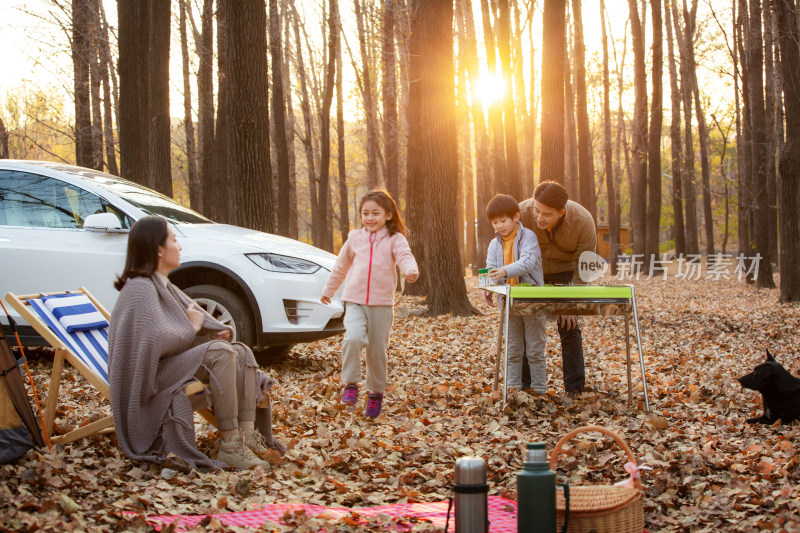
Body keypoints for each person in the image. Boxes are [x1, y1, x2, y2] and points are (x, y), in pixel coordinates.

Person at [108, 216, 285, 471]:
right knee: (222, 352)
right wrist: (193, 327)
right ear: (158, 249)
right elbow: (154, 344)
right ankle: (230, 444)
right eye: (174, 240)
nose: (179, 247)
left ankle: (246, 438)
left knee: (241, 352)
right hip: (150, 381)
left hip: (169, 368)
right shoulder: (140, 289)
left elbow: (177, 336)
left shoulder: (161, 285)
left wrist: (210, 333)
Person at [320, 190, 419, 418]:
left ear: (388, 214)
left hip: (382, 304)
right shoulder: (355, 237)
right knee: (352, 338)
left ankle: (375, 394)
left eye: (375, 213)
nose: (370, 218)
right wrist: (328, 290)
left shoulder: (396, 238)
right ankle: (351, 384)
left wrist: (410, 270)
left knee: (376, 351)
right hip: (354, 300)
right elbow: (341, 265)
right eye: (365, 213)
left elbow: (404, 255)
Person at [519, 181, 597, 394]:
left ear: (561, 212)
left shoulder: (583, 221)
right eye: (536, 210)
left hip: (567, 274)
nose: (538, 218)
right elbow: (506, 248)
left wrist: (570, 303)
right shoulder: (521, 213)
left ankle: (575, 389)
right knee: (528, 324)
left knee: (569, 325)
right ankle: (526, 387)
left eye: (546, 214)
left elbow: (585, 266)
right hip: (534, 272)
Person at [483, 194, 547, 393]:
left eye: (503, 220)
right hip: (509, 302)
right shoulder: (494, 244)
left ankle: (539, 390)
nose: (499, 226)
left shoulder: (528, 237)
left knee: (535, 348)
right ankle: (512, 391)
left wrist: (505, 271)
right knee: (512, 349)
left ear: (516, 217)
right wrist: (489, 288)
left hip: (531, 299)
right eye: (495, 222)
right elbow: (491, 268)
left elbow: (528, 262)